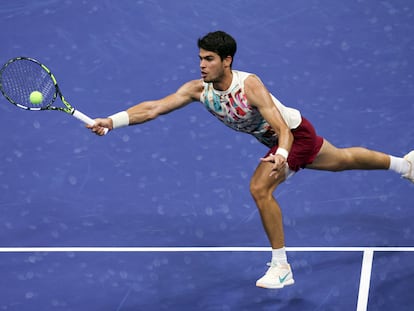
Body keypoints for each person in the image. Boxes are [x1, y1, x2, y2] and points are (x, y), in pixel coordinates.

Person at [88, 31, 414, 289]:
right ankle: (406, 165)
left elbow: (283, 129)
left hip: (292, 137)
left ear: (226, 61)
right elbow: (153, 107)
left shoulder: (251, 86)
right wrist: (112, 121)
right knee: (342, 159)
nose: (202, 65)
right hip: (288, 137)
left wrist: (282, 156)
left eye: (209, 59)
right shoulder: (197, 89)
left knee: (260, 189)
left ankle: (281, 266)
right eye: (200, 58)